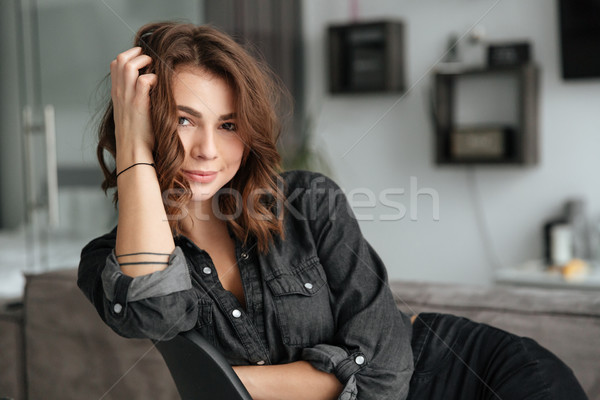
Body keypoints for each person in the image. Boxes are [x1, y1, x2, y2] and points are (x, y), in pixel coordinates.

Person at [78, 22, 588, 400]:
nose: (208, 149)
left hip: (475, 371)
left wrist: (233, 385)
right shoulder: (109, 262)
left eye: (229, 125)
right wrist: (134, 149)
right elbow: (154, 312)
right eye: (185, 120)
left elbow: (385, 372)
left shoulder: (308, 202)